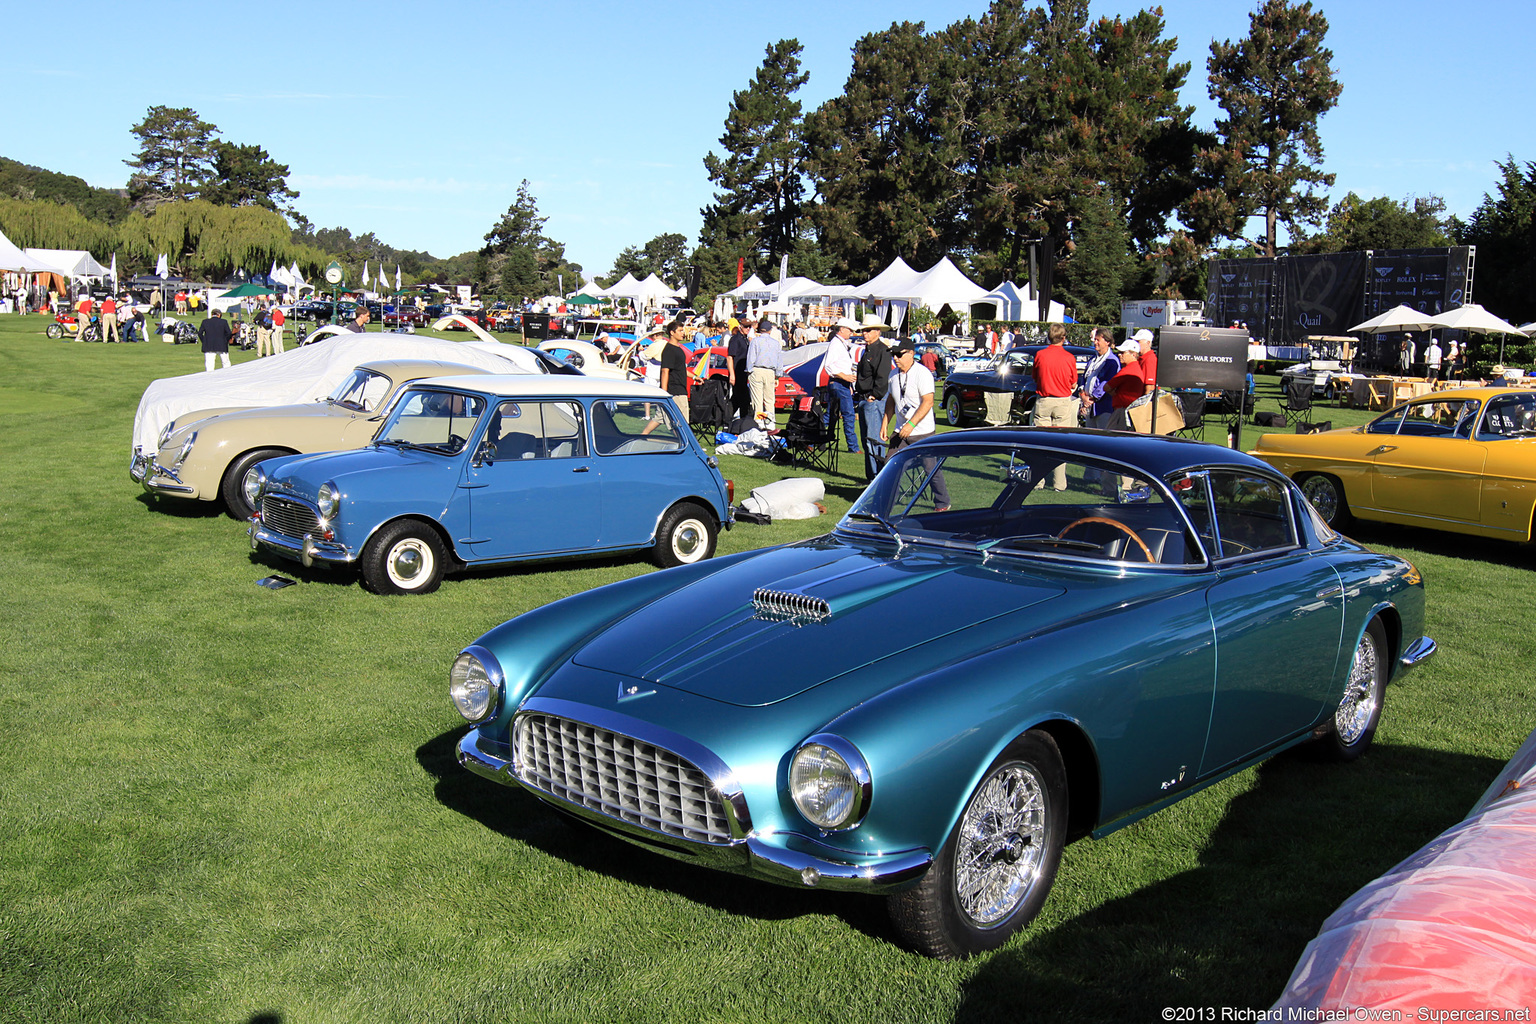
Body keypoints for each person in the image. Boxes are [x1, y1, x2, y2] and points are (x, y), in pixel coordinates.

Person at [882, 339, 950, 512]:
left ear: (911, 353)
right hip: (900, 430)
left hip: (922, 432)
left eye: (899, 354)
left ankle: (942, 502)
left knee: (930, 469)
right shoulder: (893, 375)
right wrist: (885, 423)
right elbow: (891, 399)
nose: (895, 358)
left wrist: (911, 424)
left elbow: (928, 402)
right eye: (893, 355)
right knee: (890, 466)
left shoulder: (922, 373)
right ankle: (885, 503)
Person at [1031, 324, 1080, 489]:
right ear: (1063, 338)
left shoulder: (1040, 354)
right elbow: (1074, 382)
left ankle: (1038, 481)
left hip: (1044, 400)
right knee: (1060, 443)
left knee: (1040, 443)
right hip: (1062, 401)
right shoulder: (1069, 357)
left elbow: (1035, 377)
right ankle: (1059, 483)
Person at [854, 315, 892, 480]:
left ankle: (877, 477)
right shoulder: (867, 350)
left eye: (868, 330)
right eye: (863, 330)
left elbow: (883, 378)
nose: (865, 334)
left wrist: (873, 396)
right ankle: (871, 477)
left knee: (874, 440)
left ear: (877, 331)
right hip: (865, 398)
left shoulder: (882, 351)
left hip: (873, 400)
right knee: (867, 440)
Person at [825, 316, 862, 454]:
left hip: (840, 383)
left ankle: (814, 439)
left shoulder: (839, 344)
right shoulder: (836, 344)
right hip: (839, 383)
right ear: (842, 330)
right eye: (850, 330)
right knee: (848, 414)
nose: (851, 333)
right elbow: (828, 366)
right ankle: (853, 447)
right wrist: (845, 376)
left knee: (830, 414)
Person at [1080, 328, 1121, 430]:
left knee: (1102, 436)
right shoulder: (1092, 360)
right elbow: (1085, 378)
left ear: (1107, 342)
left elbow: (1107, 383)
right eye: (1095, 340)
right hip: (1090, 407)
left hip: (1104, 408)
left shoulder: (1112, 361)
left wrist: (1091, 399)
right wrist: (1083, 396)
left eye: (1098, 340)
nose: (1095, 342)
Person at [745, 319, 784, 428]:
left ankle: (759, 423)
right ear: (770, 330)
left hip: (757, 370)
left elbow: (751, 358)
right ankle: (770, 423)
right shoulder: (776, 343)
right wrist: (778, 375)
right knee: (769, 399)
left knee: (757, 399)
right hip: (770, 371)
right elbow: (779, 360)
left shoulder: (755, 341)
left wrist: (749, 370)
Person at [657, 318, 691, 423]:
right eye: (680, 331)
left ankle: (643, 435)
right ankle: (682, 440)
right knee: (681, 422)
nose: (683, 333)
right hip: (675, 390)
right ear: (672, 333)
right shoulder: (669, 350)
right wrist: (664, 392)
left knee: (660, 417)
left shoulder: (679, 348)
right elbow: (665, 371)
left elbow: (681, 369)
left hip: (680, 387)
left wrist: (694, 377)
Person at [1106, 340, 1146, 430]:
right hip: (1132, 411)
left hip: (1122, 411)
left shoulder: (1127, 370)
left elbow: (1107, 387)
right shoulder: (1136, 368)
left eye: (1123, 352)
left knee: (1111, 439)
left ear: (1134, 354)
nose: (1119, 355)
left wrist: (1115, 393)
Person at [726, 318, 752, 419]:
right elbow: (729, 357)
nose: (748, 328)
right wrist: (732, 374)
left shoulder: (745, 339)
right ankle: (743, 421)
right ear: (741, 326)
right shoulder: (735, 339)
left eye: (749, 327)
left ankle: (726, 419)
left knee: (737, 400)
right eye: (746, 326)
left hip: (743, 372)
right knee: (744, 399)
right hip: (737, 372)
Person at [1134, 328, 1158, 395]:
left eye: (1138, 342)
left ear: (1148, 343)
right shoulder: (1142, 358)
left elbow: (1150, 388)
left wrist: (1143, 405)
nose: (1136, 344)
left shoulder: (1149, 359)